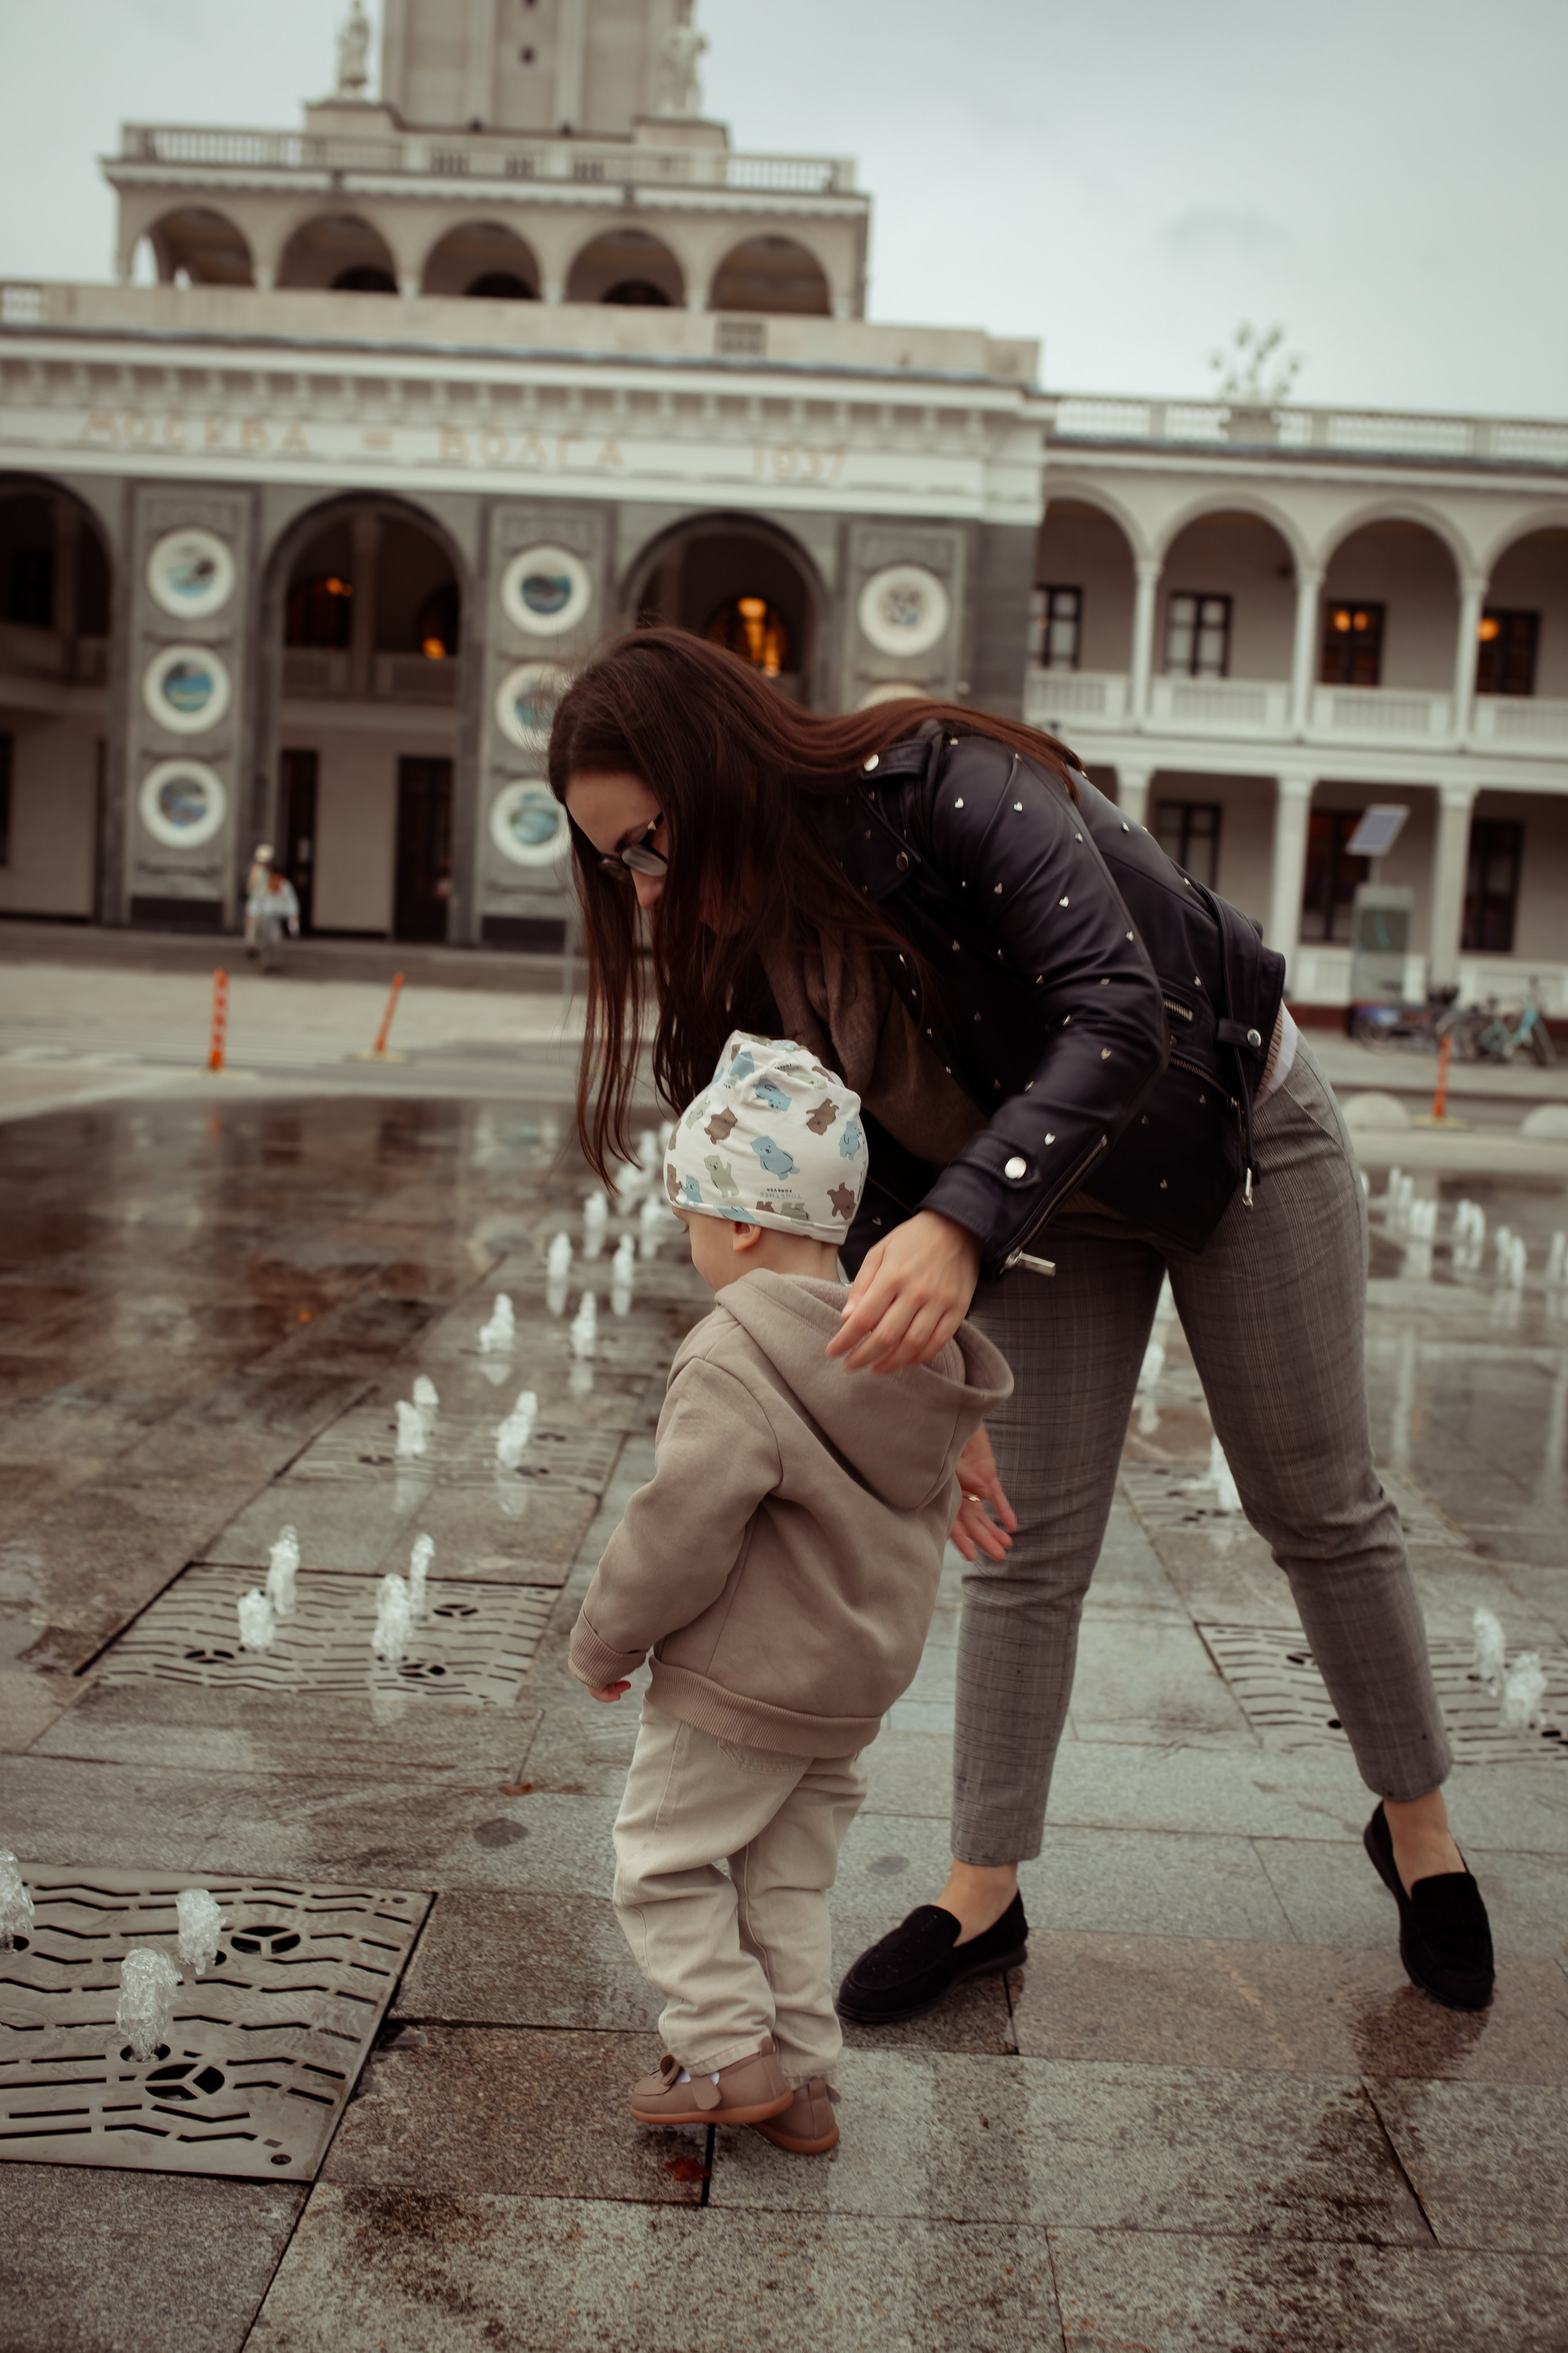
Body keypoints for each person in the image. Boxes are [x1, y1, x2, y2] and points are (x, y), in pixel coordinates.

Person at [549, 627, 1496, 2023]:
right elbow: (827, 1176)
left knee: (1312, 1498)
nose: (649, 887)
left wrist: (959, 1229)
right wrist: (927, 1371)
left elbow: (1118, 1008)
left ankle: (1418, 1833)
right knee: (1017, 1535)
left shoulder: (941, 782)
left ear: (720, 765)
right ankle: (980, 1888)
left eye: (652, 840)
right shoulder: (742, 941)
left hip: (1225, 1127)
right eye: (617, 860)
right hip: (1038, 1195)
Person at [569, 1032, 1011, 2152]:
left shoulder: (733, 1354)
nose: (690, 1244)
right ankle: (806, 2082)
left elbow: (681, 1527)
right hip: (846, 1697)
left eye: (692, 1219)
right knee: (785, 1887)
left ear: (746, 1224)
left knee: (660, 1866)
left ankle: (723, 2050)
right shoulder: (903, 1349)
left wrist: (606, 1641)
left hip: (737, 1686)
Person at [251, 866, 301, 974]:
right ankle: (266, 963)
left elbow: (291, 901)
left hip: (276, 917)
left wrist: (293, 915)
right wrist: (253, 913)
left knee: (275, 940)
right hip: (264, 915)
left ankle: (276, 962)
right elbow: (256, 900)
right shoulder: (264, 885)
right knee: (265, 941)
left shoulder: (285, 885)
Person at [243, 844, 274, 954]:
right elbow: (252, 885)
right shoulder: (257, 869)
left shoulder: (263, 870)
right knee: (253, 924)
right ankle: (251, 944)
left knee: (255, 924)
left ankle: (254, 944)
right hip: (257, 900)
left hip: (260, 900)